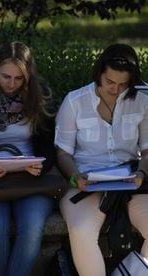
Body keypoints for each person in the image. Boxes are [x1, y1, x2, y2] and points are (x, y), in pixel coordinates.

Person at [56, 43, 148, 276]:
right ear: (99, 74)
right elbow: (63, 153)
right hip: (86, 182)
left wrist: (142, 174)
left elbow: (147, 151)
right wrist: (76, 177)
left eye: (123, 84)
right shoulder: (74, 101)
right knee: (80, 230)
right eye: (110, 82)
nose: (116, 90)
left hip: (130, 182)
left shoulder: (142, 101)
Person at [0, 41, 56, 276]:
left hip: (31, 180)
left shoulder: (39, 97)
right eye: (6, 76)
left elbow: (48, 149)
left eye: (19, 78)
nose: (12, 84)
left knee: (32, 227)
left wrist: (41, 166)